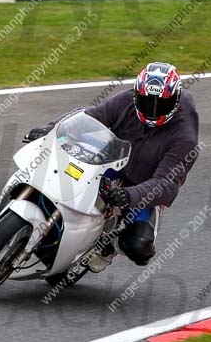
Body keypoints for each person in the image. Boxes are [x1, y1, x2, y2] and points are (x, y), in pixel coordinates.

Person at [23, 62, 200, 270]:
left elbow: (166, 184)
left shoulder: (186, 138)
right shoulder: (126, 100)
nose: (152, 111)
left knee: (140, 247)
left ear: (175, 100)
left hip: (142, 186)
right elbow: (89, 115)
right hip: (110, 160)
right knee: (62, 177)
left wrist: (129, 196)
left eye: (160, 105)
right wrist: (48, 131)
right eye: (145, 102)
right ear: (137, 95)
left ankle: (109, 247)